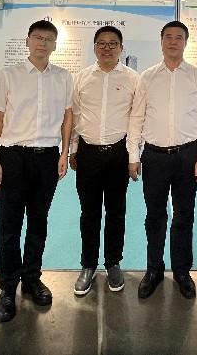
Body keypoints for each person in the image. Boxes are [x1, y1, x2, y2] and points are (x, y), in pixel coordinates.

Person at [0, 20, 73, 323]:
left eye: (48, 39)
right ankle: (7, 288)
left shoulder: (63, 77)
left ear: (55, 45)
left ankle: (32, 279)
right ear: (27, 41)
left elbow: (68, 117)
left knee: (38, 222)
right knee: (9, 226)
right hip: (13, 157)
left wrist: (64, 153)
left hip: (47, 158)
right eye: (37, 37)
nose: (42, 43)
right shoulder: (8, 75)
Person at [127, 20, 197, 300]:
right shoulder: (148, 77)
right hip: (154, 156)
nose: (173, 41)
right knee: (155, 215)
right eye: (168, 37)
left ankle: (182, 271)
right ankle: (153, 270)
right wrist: (133, 155)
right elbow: (137, 117)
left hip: (187, 155)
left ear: (185, 42)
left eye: (178, 37)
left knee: (184, 215)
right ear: (161, 41)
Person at [69, 25, 138, 297]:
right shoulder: (81, 78)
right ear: (94, 47)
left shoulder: (133, 79)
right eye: (101, 43)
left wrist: (134, 156)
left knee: (116, 211)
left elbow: (136, 120)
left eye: (112, 43)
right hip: (88, 154)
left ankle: (113, 263)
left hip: (118, 154)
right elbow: (75, 117)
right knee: (89, 212)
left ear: (121, 48)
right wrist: (73, 149)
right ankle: (88, 265)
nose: (107, 48)